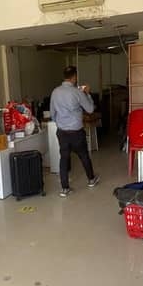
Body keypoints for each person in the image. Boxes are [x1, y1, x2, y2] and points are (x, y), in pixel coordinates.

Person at [49, 66, 100, 197]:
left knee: (64, 158)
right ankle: (91, 179)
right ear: (74, 77)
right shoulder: (77, 92)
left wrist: (61, 123)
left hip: (62, 132)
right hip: (76, 132)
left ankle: (65, 188)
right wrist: (87, 94)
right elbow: (90, 109)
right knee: (83, 155)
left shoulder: (55, 92)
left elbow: (52, 114)